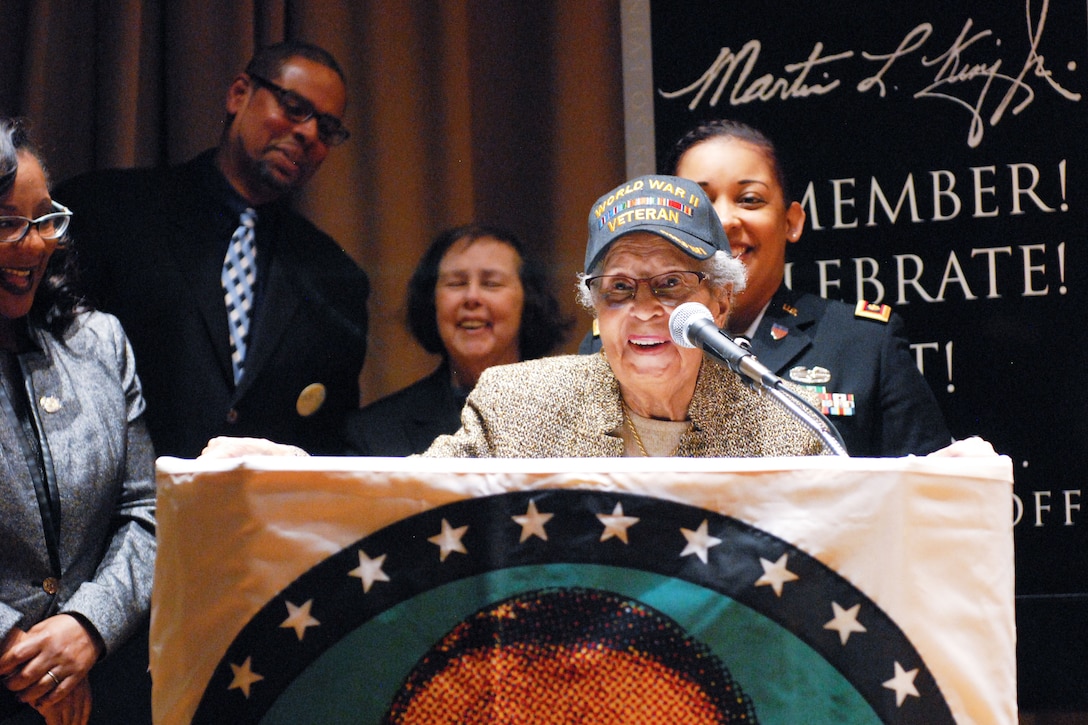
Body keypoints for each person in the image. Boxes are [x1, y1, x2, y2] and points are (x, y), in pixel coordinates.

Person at [55, 40, 370, 458]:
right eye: (294, 107)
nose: (309, 133)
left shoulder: (334, 279)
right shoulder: (108, 211)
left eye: (327, 129)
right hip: (122, 508)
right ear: (239, 94)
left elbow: (329, 443)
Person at [580, 120, 951, 457]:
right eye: (702, 205)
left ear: (791, 221)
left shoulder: (864, 345)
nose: (724, 221)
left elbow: (928, 496)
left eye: (749, 199)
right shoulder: (615, 343)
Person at [0, 119, 156, 724]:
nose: (37, 244)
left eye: (45, 219)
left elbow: (146, 513)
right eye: (9, 222)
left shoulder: (98, 340)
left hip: (101, 678)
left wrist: (86, 627)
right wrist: (22, 653)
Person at [342, 224, 571, 456]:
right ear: (432, 302)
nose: (472, 297)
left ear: (529, 302)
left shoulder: (573, 418)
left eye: (491, 283)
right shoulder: (374, 433)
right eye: (456, 283)